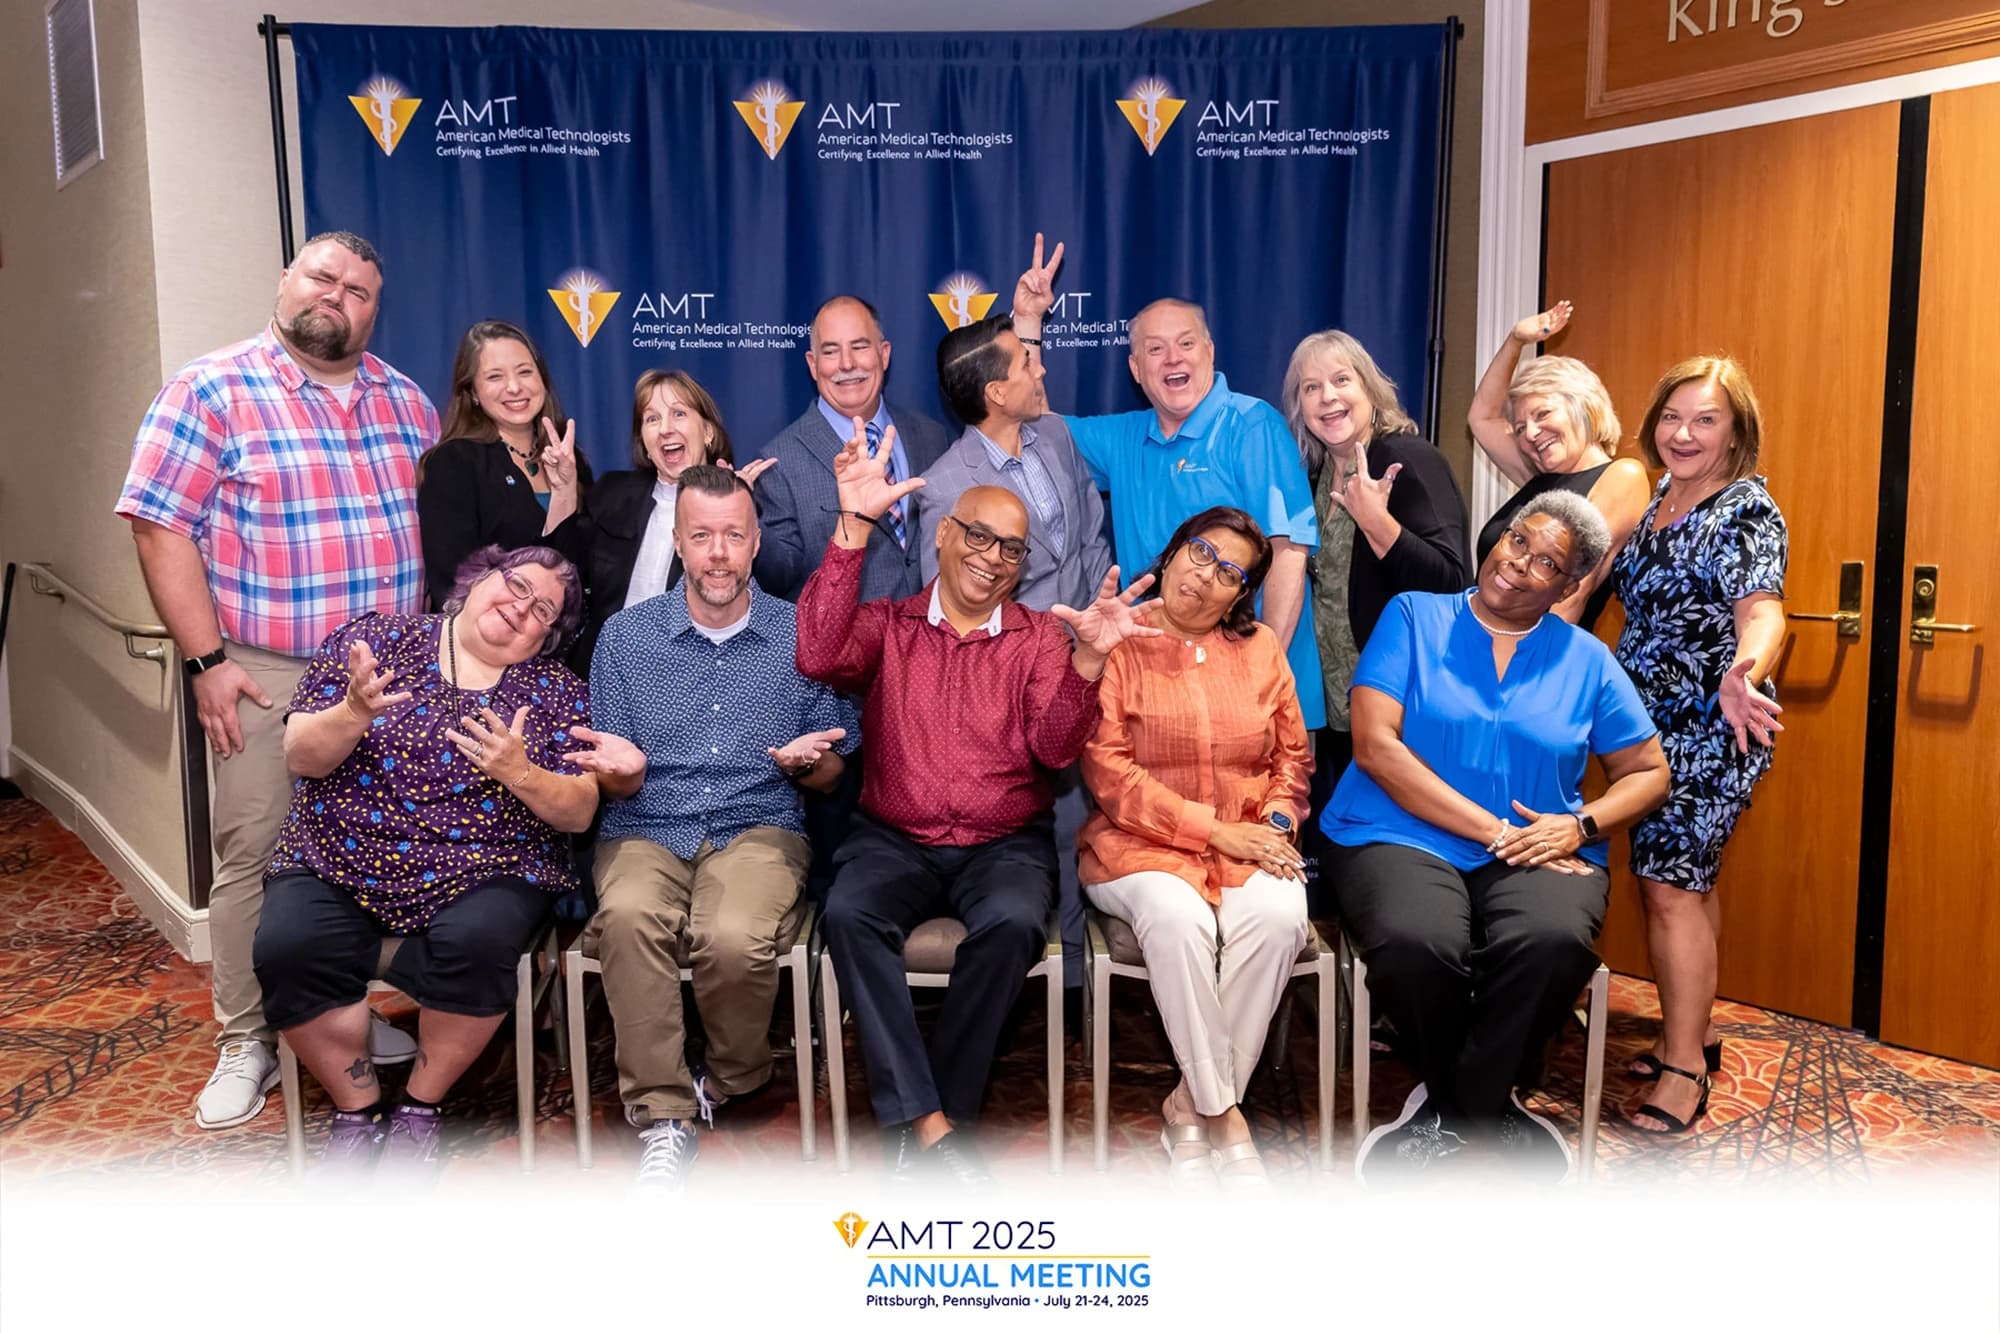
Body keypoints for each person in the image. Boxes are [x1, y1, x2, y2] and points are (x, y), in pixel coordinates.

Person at [115, 230, 433, 1130]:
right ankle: (246, 1038)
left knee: (375, 845)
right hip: (265, 668)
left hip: (388, 668)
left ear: (376, 308)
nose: (338, 296)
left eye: (361, 290)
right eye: (323, 276)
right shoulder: (210, 389)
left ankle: (342, 1016)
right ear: (285, 279)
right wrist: (207, 660)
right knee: (255, 850)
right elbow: (157, 526)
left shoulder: (407, 404)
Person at [797, 429, 1156, 1184]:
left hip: (1003, 844)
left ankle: (928, 1120)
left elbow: (1058, 751)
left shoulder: (1035, 641)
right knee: (849, 913)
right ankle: (936, 1129)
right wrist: (851, 528)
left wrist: (1088, 661)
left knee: (1017, 923)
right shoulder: (890, 625)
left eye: (1012, 549)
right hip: (892, 837)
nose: (993, 558)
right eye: (980, 537)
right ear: (945, 534)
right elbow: (819, 652)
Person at [1321, 492, 1670, 1184]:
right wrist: (1497, 832)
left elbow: (1649, 771)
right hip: (1399, 830)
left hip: (1542, 843)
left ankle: (1454, 1109)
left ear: (1569, 587)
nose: (1518, 565)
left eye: (1547, 564)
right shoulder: (1416, 615)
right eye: (1517, 541)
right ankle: (1489, 1104)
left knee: (1552, 940)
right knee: (1418, 940)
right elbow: (1375, 747)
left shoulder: (1587, 659)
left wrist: (1581, 823)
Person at [251, 545, 615, 1167]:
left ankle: (421, 1106)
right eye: (516, 585)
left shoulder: (555, 691)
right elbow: (302, 758)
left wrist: (520, 772)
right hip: (337, 856)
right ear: (478, 578)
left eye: (544, 611)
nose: (521, 608)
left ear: (548, 638)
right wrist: (355, 711)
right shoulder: (377, 639)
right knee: (289, 946)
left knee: (476, 945)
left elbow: (580, 811)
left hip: (485, 868)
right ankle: (355, 1108)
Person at [581, 465, 858, 1188]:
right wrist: (623, 770)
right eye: (701, 536)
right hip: (645, 820)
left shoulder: (801, 633)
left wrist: (809, 764)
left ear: (756, 540)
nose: (718, 553)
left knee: (732, 935)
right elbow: (611, 771)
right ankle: (665, 1113)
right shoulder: (625, 637)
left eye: (733, 535)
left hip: (760, 818)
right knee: (630, 913)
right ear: (677, 542)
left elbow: (834, 771)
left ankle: (735, 1075)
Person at [1078, 507, 1312, 1189]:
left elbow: (1292, 757)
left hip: (1247, 841)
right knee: (1179, 918)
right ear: (1174, 549)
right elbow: (1108, 771)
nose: (1206, 577)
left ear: (1242, 593)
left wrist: (1273, 823)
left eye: (1229, 572)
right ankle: (1228, 1120)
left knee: (1279, 918)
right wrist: (1211, 830)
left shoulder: (1262, 647)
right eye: (1200, 554)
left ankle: (1191, 1106)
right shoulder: (1124, 638)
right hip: (1136, 846)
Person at [1018, 253, 1323, 733]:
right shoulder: (1123, 438)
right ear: (1136, 370)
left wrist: (1265, 670)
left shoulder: (1252, 425)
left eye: (1185, 343)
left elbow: (1289, 552)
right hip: (1164, 689)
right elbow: (1031, 421)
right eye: (1155, 350)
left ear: (1210, 352)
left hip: (1260, 691)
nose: (1173, 358)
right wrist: (1030, 320)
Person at [1612, 356, 1788, 1135]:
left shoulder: (1744, 510)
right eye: (1672, 416)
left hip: (1714, 726)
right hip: (1644, 728)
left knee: (1670, 888)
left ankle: (1684, 1069)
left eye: (1705, 419)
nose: (1682, 433)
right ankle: (1698, 1031)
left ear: (1735, 431)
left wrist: (1746, 672)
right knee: (1686, 881)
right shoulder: (1657, 499)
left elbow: (1763, 612)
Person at [923, 308, 1114, 986]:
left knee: (1103, 815)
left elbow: (1089, 534)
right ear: (996, 393)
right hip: (1021, 682)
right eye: (1027, 362)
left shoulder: (1057, 434)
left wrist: (1098, 628)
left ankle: (1096, 977)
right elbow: (945, 602)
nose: (1041, 367)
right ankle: (1061, 990)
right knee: (1057, 826)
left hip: (1098, 657)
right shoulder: (947, 484)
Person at [1280, 329, 1470, 890]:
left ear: (1370, 388)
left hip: (1405, 704)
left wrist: (1378, 523)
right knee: (1353, 863)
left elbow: (1454, 580)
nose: (1327, 398)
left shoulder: (1406, 458)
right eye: (1310, 387)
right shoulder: (1316, 473)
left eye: (1341, 380)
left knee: (1406, 864)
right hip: (1341, 707)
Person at [752, 296, 952, 602]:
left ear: (884, 354)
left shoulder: (930, 436)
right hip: (848, 646)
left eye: (859, 347)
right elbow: (778, 577)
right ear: (813, 364)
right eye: (830, 351)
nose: (847, 363)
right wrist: (738, 518)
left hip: (931, 642)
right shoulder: (779, 461)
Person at [1467, 301, 1650, 629]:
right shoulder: (1539, 476)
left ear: (1585, 407)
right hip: (1482, 640)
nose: (1532, 434)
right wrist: (1515, 340)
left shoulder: (1622, 476)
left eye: (1542, 414)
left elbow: (1571, 596)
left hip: (1530, 659)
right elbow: (1481, 417)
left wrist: (1515, 670)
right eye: (1521, 428)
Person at [572, 370, 771, 669]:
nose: (665, 429)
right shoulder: (610, 494)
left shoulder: (741, 502)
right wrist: (564, 489)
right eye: (651, 419)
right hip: (605, 670)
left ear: (708, 432)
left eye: (678, 413)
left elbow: (772, 584)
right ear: (645, 442)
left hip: (690, 676)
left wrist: (737, 511)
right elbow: (567, 575)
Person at [417, 320, 590, 611]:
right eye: (494, 377)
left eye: (525, 372)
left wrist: (564, 493)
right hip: (488, 646)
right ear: (472, 392)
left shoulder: (571, 460)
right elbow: (454, 586)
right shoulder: (452, 464)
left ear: (542, 380)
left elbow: (579, 572)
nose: (514, 387)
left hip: (564, 646)